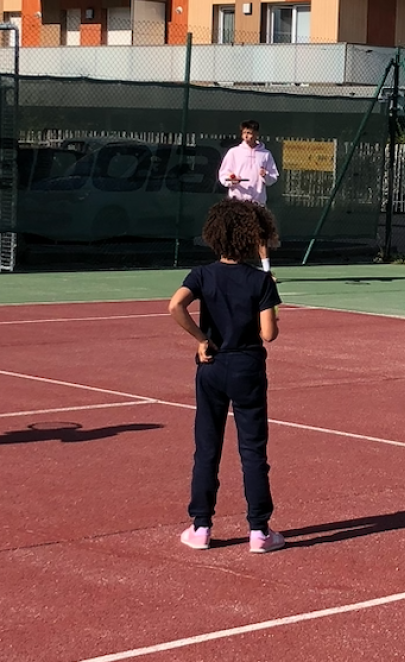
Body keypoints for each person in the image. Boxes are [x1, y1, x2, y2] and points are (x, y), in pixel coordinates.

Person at [169, 200, 285, 553]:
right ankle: (259, 531)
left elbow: (175, 305)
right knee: (252, 450)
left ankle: (201, 526)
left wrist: (202, 339)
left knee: (207, 448)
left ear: (214, 235)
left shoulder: (202, 274)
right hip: (248, 367)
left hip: (212, 366)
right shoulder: (261, 280)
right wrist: (272, 307)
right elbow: (269, 334)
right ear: (253, 237)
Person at [218, 120, 280, 273]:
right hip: (237, 202)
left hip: (257, 203)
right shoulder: (234, 152)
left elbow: (273, 177)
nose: (247, 136)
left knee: (261, 237)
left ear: (256, 134)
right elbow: (223, 175)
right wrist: (231, 180)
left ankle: (267, 272)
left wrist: (265, 175)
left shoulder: (265, 154)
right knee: (233, 236)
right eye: (244, 133)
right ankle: (228, 268)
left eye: (250, 133)